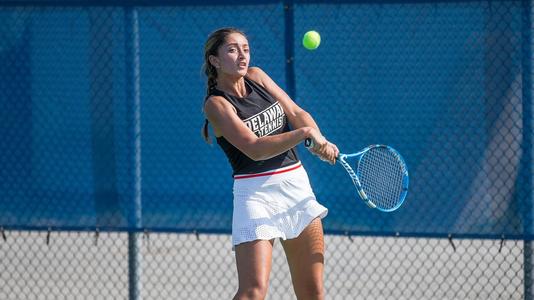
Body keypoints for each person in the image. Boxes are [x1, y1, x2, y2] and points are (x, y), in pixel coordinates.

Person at [201, 27, 339, 300]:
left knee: (313, 293)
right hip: (255, 195)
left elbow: (296, 112)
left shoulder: (258, 77)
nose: (242, 56)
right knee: (253, 292)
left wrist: (319, 140)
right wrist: (303, 134)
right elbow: (254, 149)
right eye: (232, 49)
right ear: (214, 61)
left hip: (296, 186)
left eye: (245, 49)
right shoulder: (216, 105)